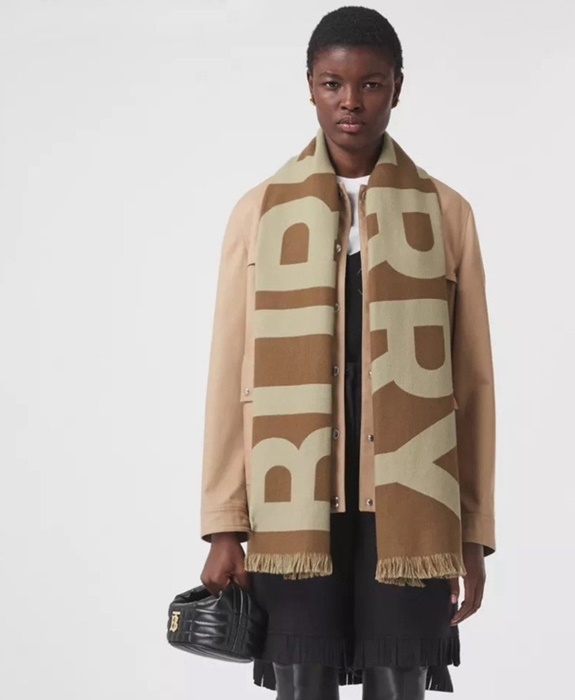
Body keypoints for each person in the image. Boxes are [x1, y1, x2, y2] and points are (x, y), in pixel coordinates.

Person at [198, 6, 496, 700]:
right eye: (333, 84)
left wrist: (474, 532)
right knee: (302, 681)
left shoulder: (446, 212)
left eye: (371, 84)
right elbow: (229, 376)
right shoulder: (258, 212)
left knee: (400, 680)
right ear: (310, 87)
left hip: (415, 506)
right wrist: (223, 526)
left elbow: (473, 384)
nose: (351, 102)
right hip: (291, 503)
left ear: (398, 88)